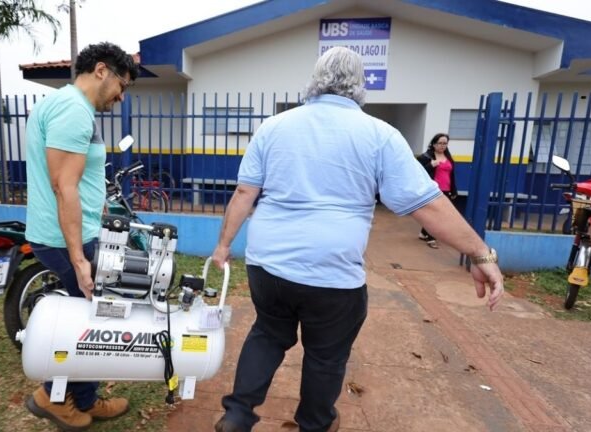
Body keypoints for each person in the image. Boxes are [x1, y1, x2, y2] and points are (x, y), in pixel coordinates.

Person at [211, 47, 504, 432]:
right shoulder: (379, 135)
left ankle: (237, 415)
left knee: (267, 333)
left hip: (268, 263)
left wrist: (223, 246)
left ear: (314, 79)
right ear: (360, 86)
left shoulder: (274, 127)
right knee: (326, 355)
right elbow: (428, 206)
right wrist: (480, 253)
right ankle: (315, 424)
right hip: (331, 274)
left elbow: (244, 194)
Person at [23, 42, 139, 431]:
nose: (121, 96)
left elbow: (74, 179)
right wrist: (78, 258)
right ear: (102, 70)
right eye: (122, 85)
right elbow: (63, 185)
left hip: (69, 231)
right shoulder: (74, 110)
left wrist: (99, 207)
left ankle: (84, 397)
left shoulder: (58, 104)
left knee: (85, 315)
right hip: (67, 238)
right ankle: (53, 398)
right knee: (89, 324)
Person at [417, 133, 458, 248]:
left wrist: (454, 190)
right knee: (436, 215)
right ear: (434, 144)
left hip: (446, 190)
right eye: (440, 143)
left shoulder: (448, 156)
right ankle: (431, 238)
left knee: (440, 214)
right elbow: (418, 172)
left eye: (445, 143)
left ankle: (423, 233)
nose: (442, 146)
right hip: (433, 190)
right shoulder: (426, 157)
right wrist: (430, 165)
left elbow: (452, 175)